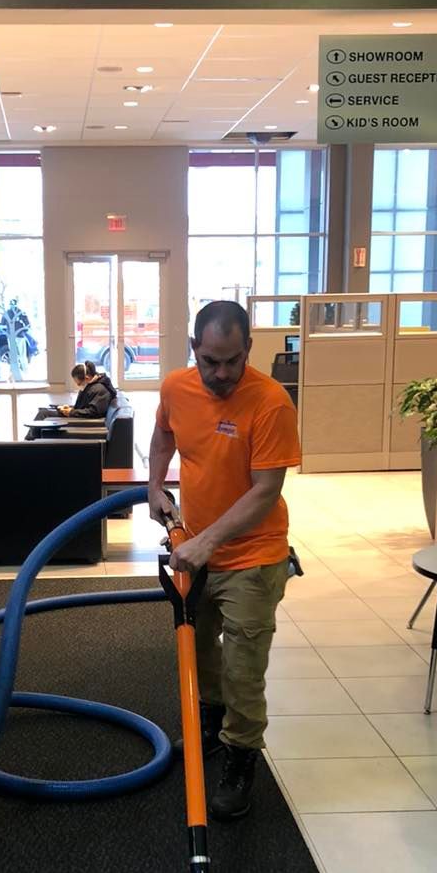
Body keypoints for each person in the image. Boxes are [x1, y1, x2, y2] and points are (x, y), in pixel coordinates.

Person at [148, 300, 301, 820]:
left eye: (231, 361)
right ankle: (210, 726)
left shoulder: (271, 402)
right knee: (200, 650)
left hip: (253, 556)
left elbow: (265, 491)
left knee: (242, 666)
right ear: (194, 350)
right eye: (210, 361)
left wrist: (206, 542)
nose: (220, 373)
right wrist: (154, 485)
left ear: (248, 351)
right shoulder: (176, 387)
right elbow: (164, 434)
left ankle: (241, 757)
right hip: (197, 546)